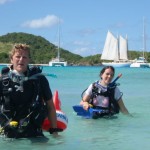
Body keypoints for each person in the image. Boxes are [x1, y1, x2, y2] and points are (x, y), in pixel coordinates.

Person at [0, 43, 60, 138]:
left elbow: (50, 106)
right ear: (11, 59)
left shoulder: (40, 80)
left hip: (34, 132)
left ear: (29, 60)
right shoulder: (2, 81)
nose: (21, 60)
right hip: (8, 132)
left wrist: (55, 131)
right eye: (18, 56)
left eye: (24, 57)